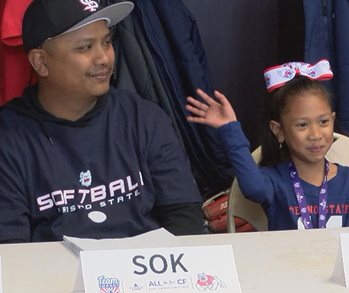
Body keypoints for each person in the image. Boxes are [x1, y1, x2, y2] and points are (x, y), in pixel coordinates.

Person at [0, 0, 206, 243]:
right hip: (52, 278)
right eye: (85, 47)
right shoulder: (8, 136)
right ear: (41, 63)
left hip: (144, 274)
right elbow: (11, 248)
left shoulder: (145, 118)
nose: (104, 58)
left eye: (107, 42)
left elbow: (184, 217)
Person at [186, 60, 349, 230]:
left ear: (333, 119)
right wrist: (230, 130)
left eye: (323, 121)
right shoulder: (274, 182)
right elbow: (253, 188)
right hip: (285, 267)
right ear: (278, 130)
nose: (316, 134)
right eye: (302, 125)